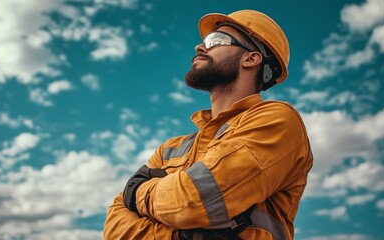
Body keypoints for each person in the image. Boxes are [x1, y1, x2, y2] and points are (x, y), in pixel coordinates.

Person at [103, 9, 313, 240]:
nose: (200, 47)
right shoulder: (170, 148)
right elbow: (115, 226)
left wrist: (137, 193)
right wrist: (179, 237)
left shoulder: (277, 120)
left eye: (216, 40)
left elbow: (196, 200)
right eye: (204, 41)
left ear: (251, 58)